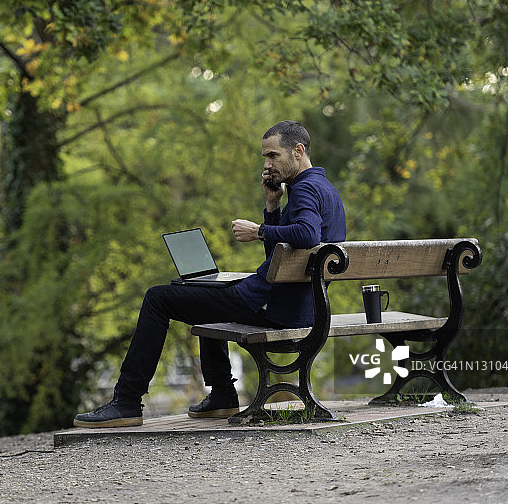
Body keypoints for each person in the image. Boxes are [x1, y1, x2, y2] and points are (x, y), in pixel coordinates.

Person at [73, 120, 347, 428]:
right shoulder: (326, 189)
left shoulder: (305, 188)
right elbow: (282, 257)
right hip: (301, 309)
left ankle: (126, 401)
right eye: (265, 158)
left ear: (298, 151)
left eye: (273, 155)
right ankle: (222, 395)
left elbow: (308, 235)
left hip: (276, 309)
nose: (268, 164)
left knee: (157, 298)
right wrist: (272, 205)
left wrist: (259, 230)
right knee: (204, 294)